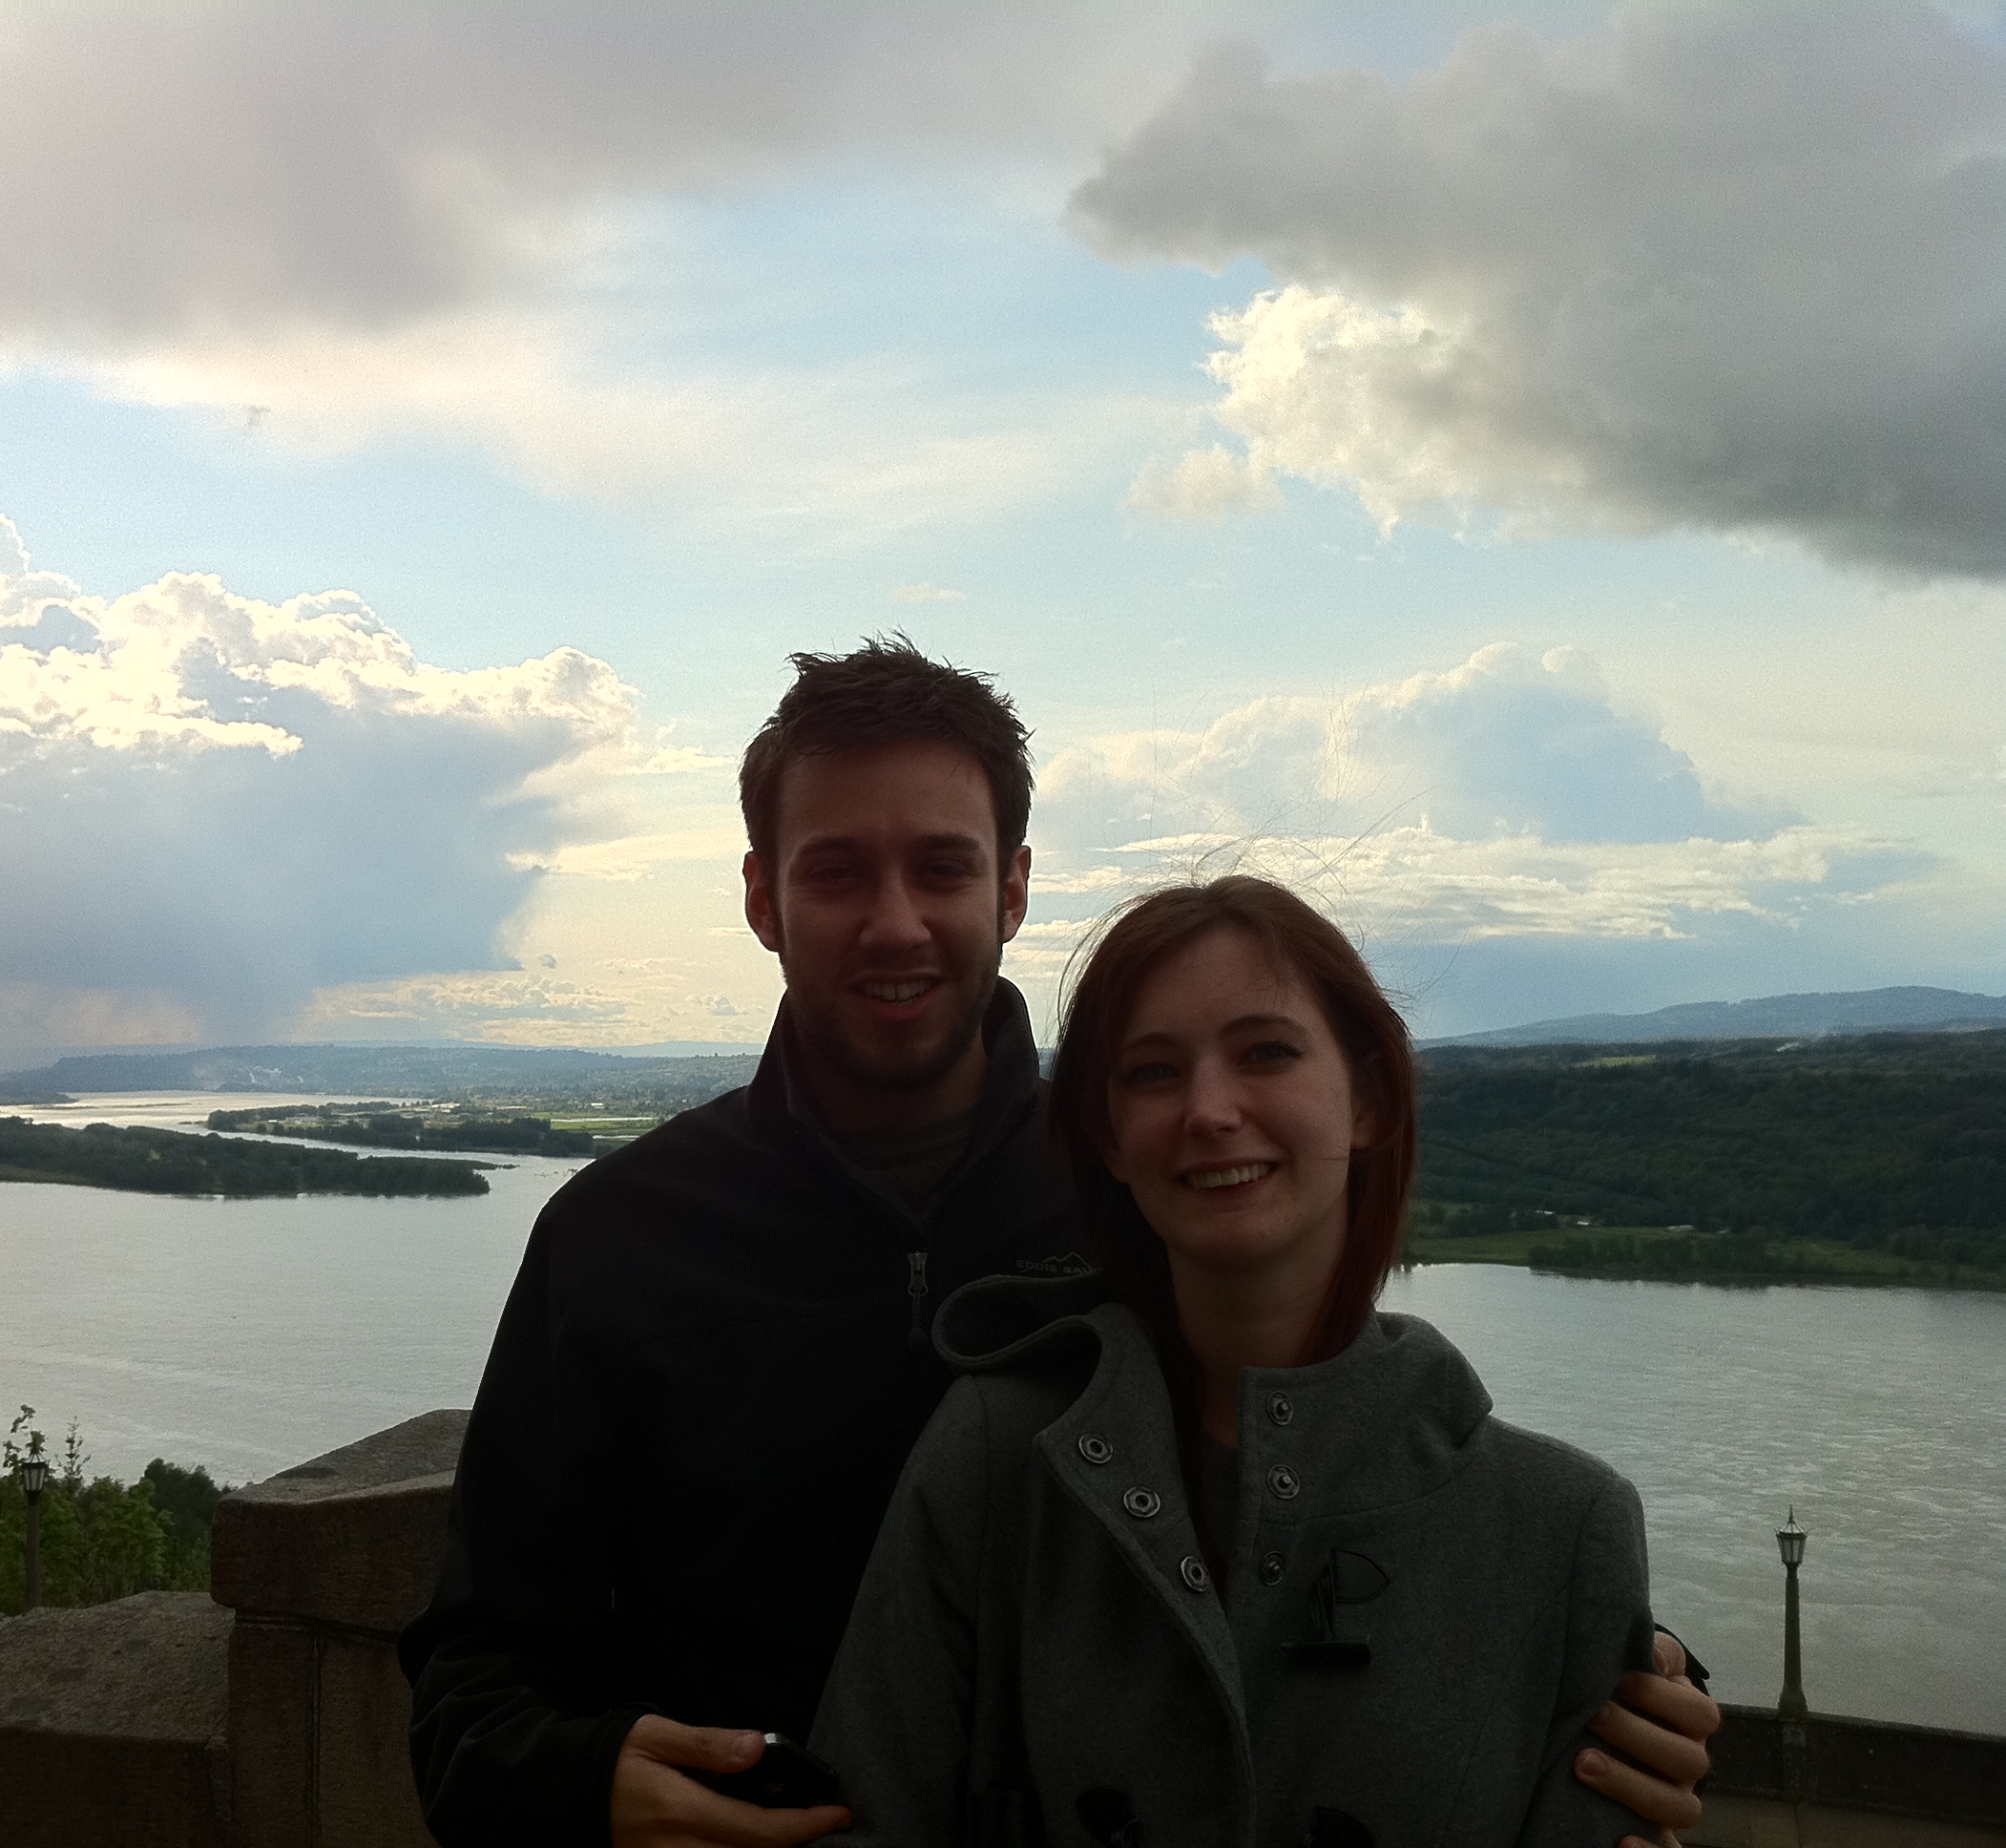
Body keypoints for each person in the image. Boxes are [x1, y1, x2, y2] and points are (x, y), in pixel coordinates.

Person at [399, 640, 1717, 1848]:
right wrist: (578, 1783)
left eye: (944, 866)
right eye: (839, 870)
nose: (897, 920)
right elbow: (472, 1680)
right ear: (762, 898)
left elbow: (1328, 1460)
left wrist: (1596, 1656)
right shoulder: (620, 1238)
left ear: (1015, 887)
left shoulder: (1144, 1192)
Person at [809, 876, 1695, 1844]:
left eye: (1265, 1052)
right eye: (1152, 1072)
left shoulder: (1562, 1530)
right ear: (1106, 1137)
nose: (1210, 1109)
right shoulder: (995, 1462)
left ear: (1366, 1096)